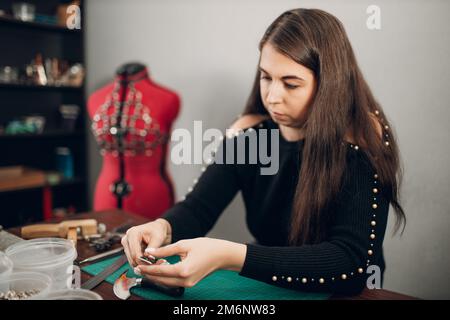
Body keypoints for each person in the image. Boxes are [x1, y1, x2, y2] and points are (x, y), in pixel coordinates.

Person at [121, 8, 405, 295]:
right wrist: (163, 227)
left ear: (329, 85)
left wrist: (231, 256)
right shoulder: (249, 135)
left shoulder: (362, 141)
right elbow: (198, 208)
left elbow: (353, 261)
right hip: (270, 287)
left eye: (291, 84)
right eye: (266, 77)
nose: (272, 97)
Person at [88, 63, 180, 220]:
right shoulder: (95, 98)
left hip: (150, 194)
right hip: (105, 193)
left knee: (154, 242)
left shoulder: (168, 98)